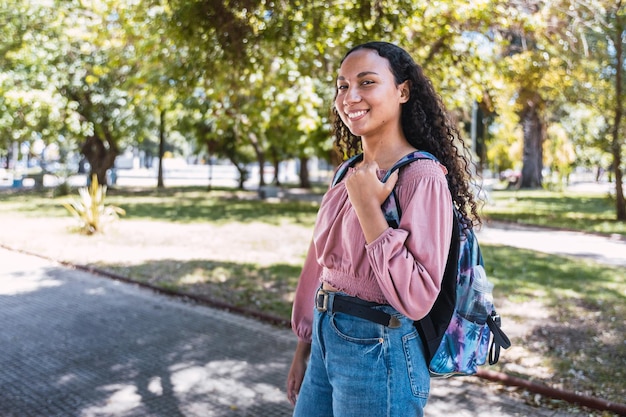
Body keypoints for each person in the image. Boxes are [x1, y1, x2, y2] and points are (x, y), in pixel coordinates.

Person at [286, 41, 481, 417]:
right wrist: (305, 344)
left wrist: (367, 207)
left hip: (380, 349)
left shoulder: (421, 176)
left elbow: (418, 296)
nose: (350, 96)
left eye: (367, 82)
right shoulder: (347, 172)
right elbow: (320, 266)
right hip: (326, 343)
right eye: (342, 86)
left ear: (403, 91)